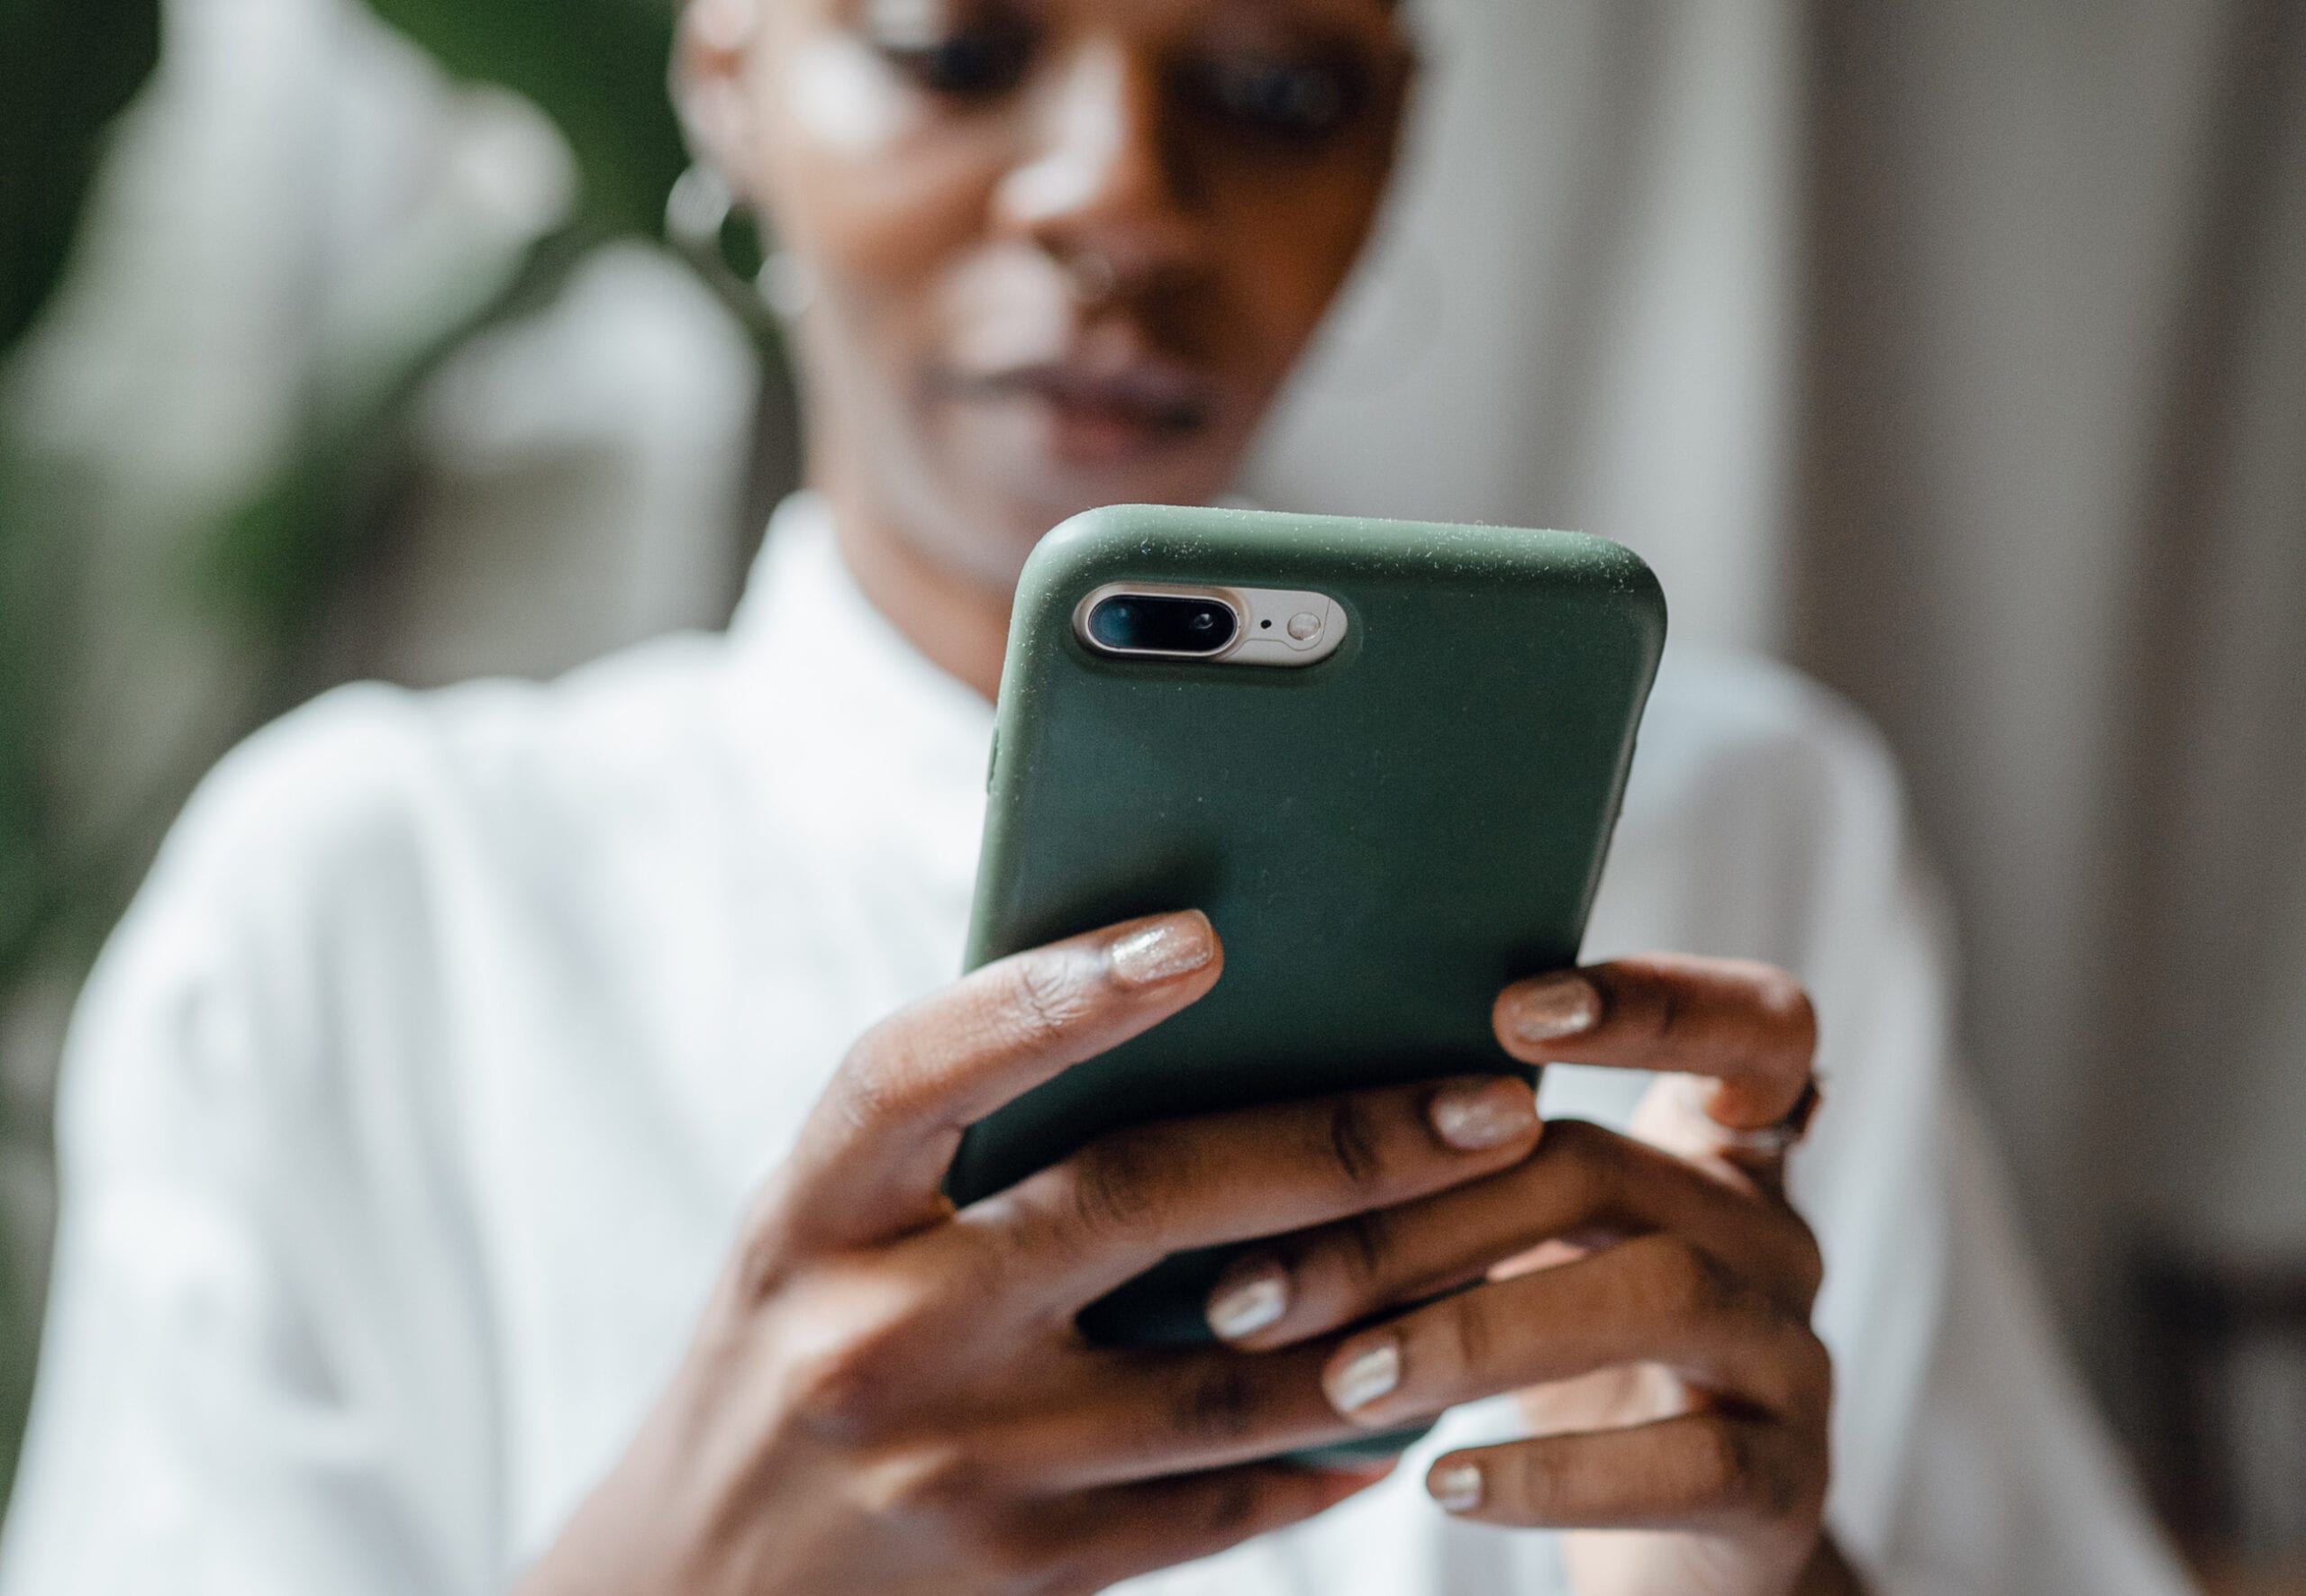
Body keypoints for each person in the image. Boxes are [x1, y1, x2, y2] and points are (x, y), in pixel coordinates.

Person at [0, 0, 2198, 1591]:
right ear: (726, 69)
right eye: (959, 48)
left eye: (1270, 88)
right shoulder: (364, 892)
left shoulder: (1739, 828)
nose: (1118, 193)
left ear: (1394, 140)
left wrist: (1756, 1576)